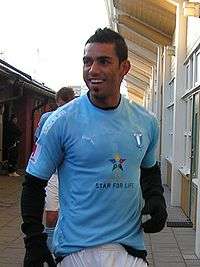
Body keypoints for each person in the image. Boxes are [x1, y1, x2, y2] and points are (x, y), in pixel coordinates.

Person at [21, 28, 167, 267]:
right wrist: (34, 243)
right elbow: (33, 185)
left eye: (104, 61)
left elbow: (150, 170)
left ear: (124, 68)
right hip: (75, 252)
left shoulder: (146, 121)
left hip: (128, 250)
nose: (93, 70)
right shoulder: (61, 121)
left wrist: (156, 198)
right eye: (87, 62)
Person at [35, 87, 75, 251]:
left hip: (63, 173)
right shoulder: (47, 118)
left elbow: (38, 141)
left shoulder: (81, 118)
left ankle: (53, 248)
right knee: (56, 214)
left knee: (56, 214)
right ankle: (53, 246)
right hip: (62, 173)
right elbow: (39, 142)